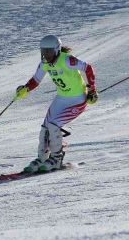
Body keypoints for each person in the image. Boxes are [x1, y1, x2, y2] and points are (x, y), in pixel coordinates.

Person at [15, 35, 98, 173]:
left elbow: (88, 68)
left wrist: (92, 91)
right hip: (61, 99)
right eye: (44, 51)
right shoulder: (45, 64)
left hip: (77, 100)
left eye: (49, 51)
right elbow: (36, 80)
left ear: (57, 50)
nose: (46, 55)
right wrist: (25, 89)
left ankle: (56, 158)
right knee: (45, 127)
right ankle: (42, 158)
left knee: (54, 125)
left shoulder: (67, 60)